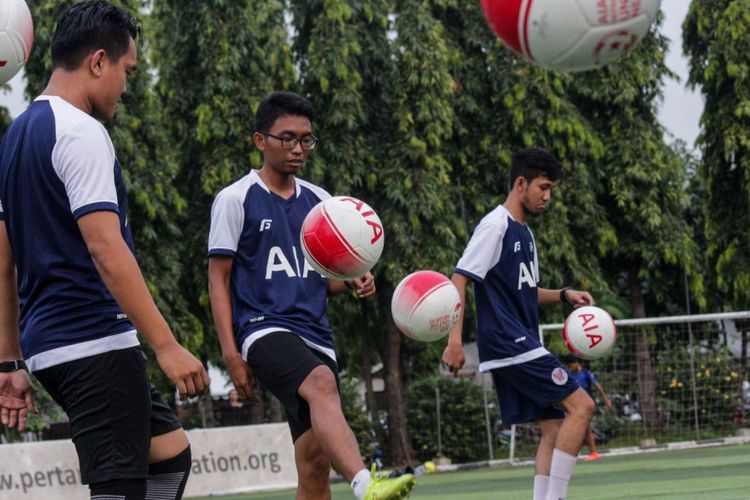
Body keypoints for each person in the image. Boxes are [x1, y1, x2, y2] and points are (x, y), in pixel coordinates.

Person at [0, 2, 209, 498]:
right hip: (93, 341)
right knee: (119, 486)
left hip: (53, 344)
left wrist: (9, 362)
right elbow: (106, 249)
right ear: (98, 61)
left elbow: (2, 262)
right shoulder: (81, 132)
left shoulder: (16, 137)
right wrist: (166, 346)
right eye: (126, 71)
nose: (125, 85)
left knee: (169, 453)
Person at [207, 91, 416, 500]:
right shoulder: (235, 199)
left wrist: (354, 279)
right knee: (321, 383)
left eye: (306, 139)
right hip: (262, 330)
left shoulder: (322, 204)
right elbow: (219, 279)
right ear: (259, 140)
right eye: (287, 138)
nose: (299, 148)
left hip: (315, 334)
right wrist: (232, 355)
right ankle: (365, 485)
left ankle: (349, 479)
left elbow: (323, 278)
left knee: (315, 463)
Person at [442, 148, 596, 500]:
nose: (548, 197)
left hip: (521, 341)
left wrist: (564, 295)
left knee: (554, 426)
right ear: (520, 183)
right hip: (508, 341)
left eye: (551, 189)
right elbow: (460, 278)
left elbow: (525, 291)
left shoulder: (525, 233)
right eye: (543, 187)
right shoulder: (495, 225)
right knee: (583, 406)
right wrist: (453, 340)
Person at [562, 354, 613, 461]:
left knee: (586, 429)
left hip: (586, 406)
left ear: (576, 363)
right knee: (581, 430)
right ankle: (586, 452)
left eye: (570, 366)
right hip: (574, 407)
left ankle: (593, 452)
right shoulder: (571, 375)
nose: (570, 368)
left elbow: (598, 388)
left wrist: (606, 400)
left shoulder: (586, 374)